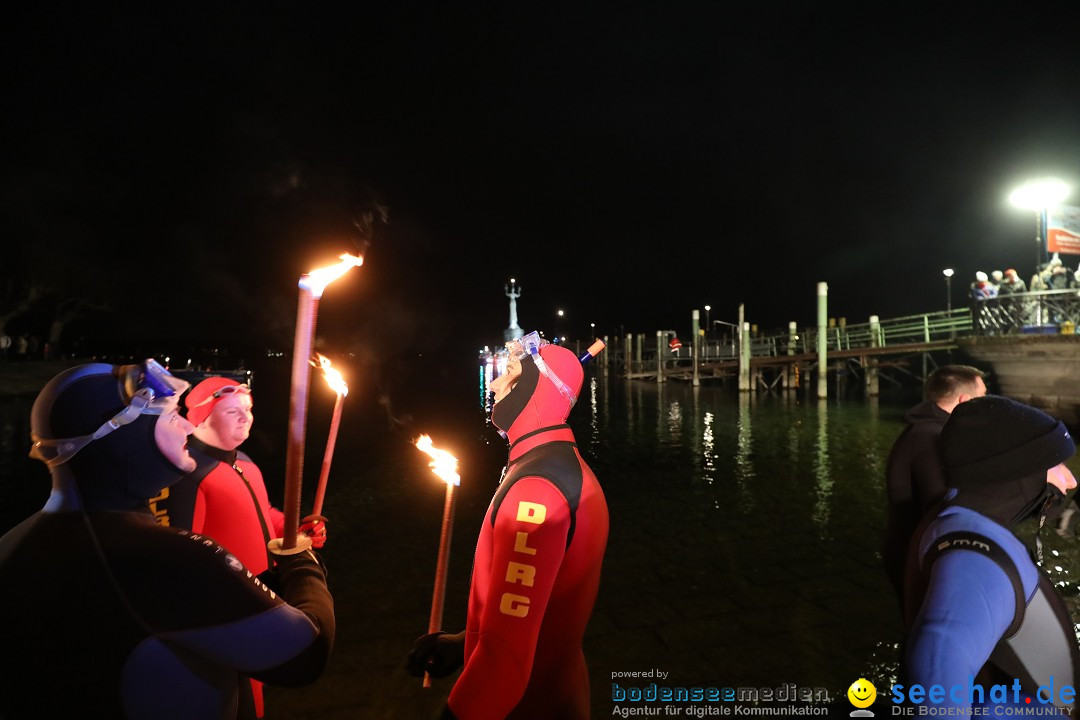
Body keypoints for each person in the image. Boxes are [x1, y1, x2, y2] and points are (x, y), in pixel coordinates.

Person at [0, 360, 335, 719]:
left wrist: (259, 584)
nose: (188, 426)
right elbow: (304, 654)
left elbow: (152, 610)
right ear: (123, 435)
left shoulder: (11, 547)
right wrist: (302, 566)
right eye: (171, 416)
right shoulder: (162, 558)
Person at [407, 331, 609, 719]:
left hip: (530, 704)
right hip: (557, 689)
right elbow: (538, 608)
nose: (496, 385)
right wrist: (467, 642)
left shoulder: (536, 490)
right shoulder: (559, 467)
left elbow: (505, 662)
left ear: (542, 389)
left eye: (512, 375)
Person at [149, 375, 326, 718]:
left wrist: (296, 530)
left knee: (256, 697)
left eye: (247, 408)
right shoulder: (187, 476)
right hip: (224, 614)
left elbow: (264, 512)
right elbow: (177, 558)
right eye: (233, 411)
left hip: (261, 601)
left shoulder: (243, 461)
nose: (246, 417)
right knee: (232, 701)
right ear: (201, 416)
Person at [902, 395, 1080, 713]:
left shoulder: (959, 516)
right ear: (1016, 471)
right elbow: (939, 657)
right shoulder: (975, 557)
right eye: (1056, 464)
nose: (1070, 480)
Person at [881, 364, 986, 608]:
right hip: (915, 555)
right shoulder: (931, 438)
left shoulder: (930, 429)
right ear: (964, 400)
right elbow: (942, 504)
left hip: (912, 548)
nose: (985, 403)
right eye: (982, 396)